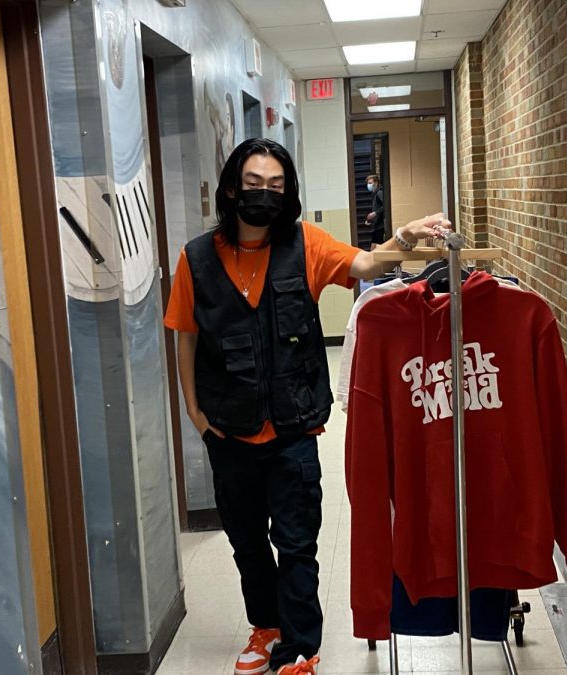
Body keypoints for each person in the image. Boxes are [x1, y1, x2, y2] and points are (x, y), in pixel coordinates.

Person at [163, 138, 450, 675]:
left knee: (296, 546)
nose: (265, 196)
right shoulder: (197, 259)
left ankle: (299, 650)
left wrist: (404, 238)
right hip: (227, 432)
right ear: (232, 188)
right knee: (247, 544)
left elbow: (365, 264)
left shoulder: (305, 245)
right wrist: (195, 414)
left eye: (276, 187)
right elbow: (185, 337)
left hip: (293, 431)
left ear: (288, 192)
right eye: (254, 185)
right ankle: (264, 628)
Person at [366, 174, 385, 249]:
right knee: (374, 248)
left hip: (380, 226)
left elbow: (385, 206)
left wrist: (375, 213)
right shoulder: (374, 194)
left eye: (370, 183)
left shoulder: (379, 193)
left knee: (375, 249)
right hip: (376, 225)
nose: (368, 185)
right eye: (368, 183)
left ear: (376, 183)